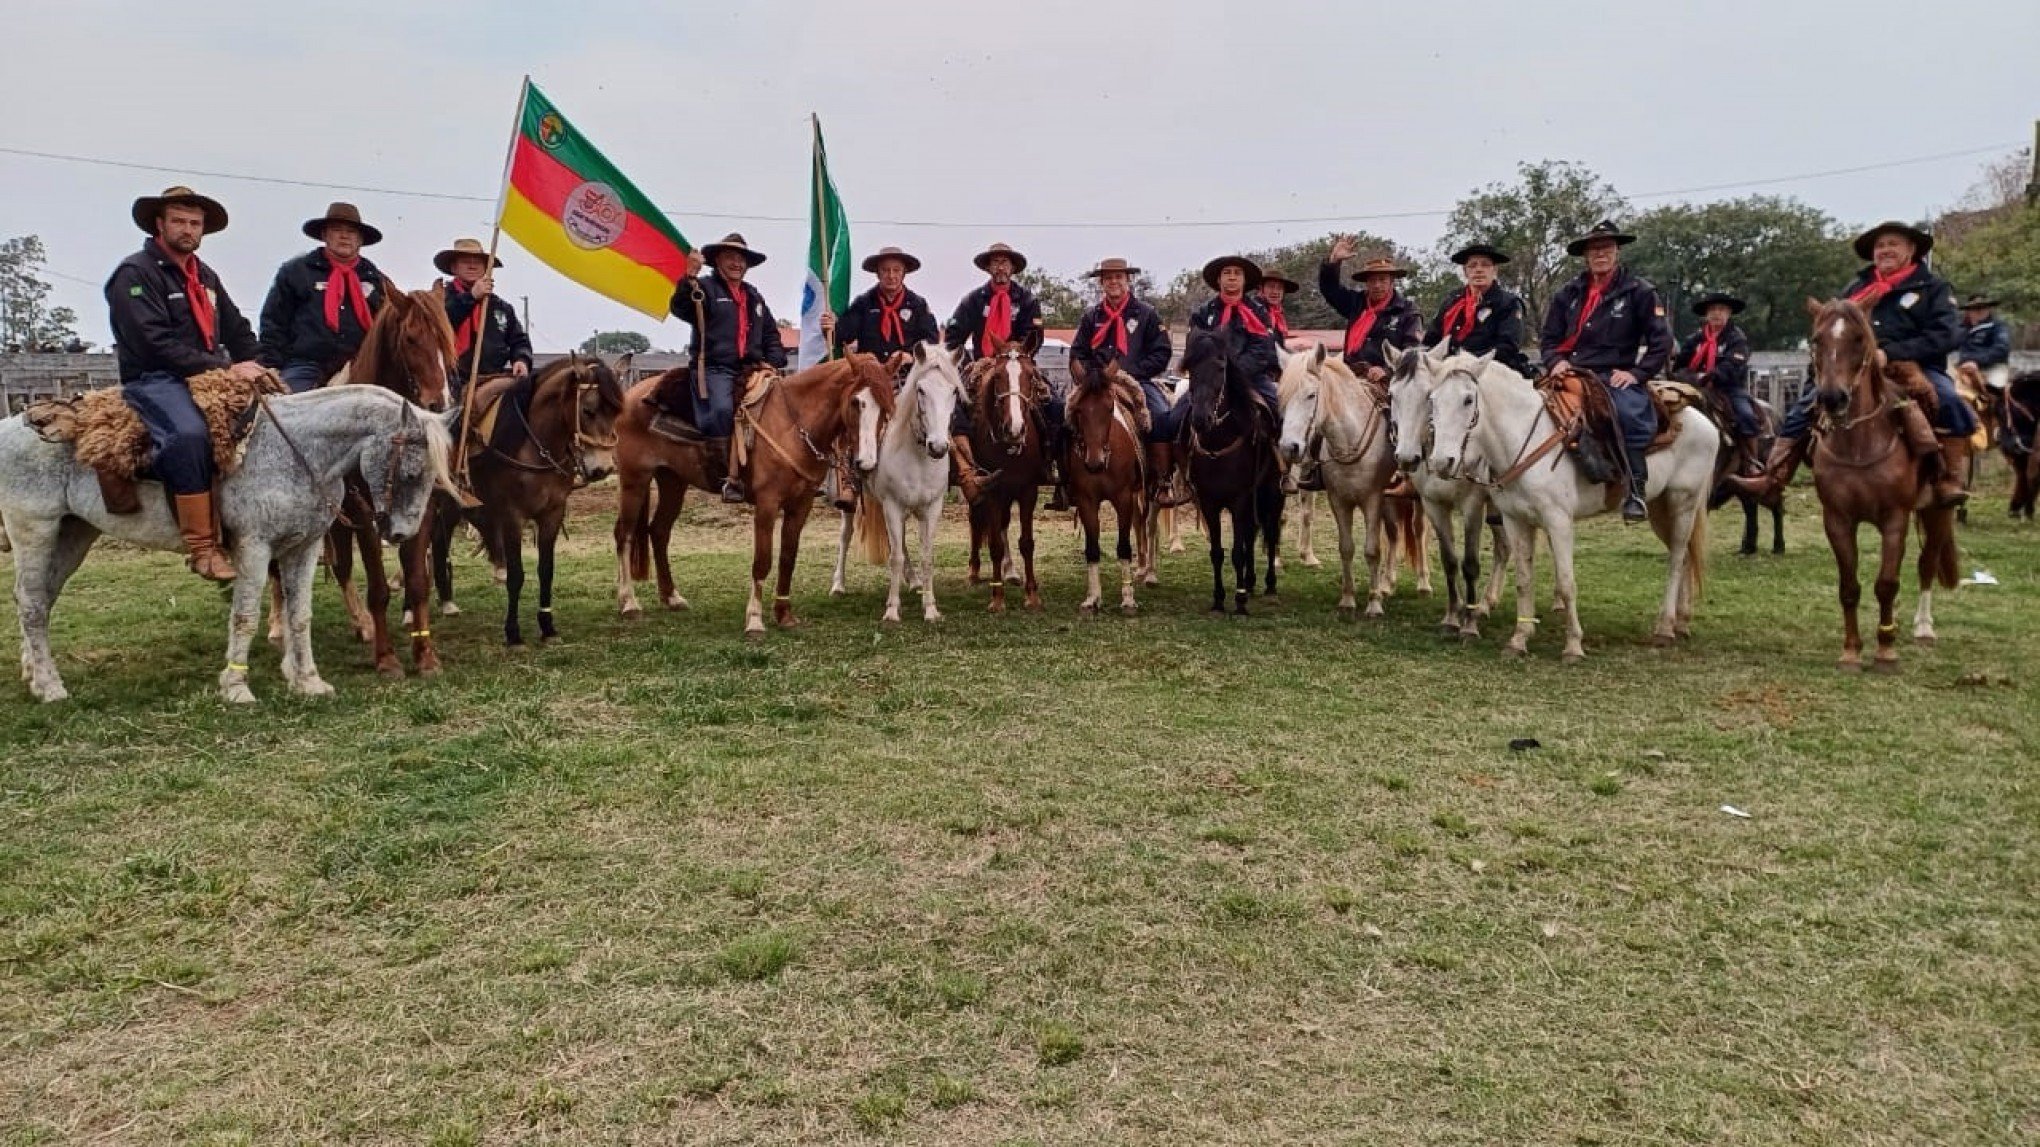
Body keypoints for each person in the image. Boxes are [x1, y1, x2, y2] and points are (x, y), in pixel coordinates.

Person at [1726, 220, 1975, 507]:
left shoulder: (1933, 287)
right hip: (1854, 369)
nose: (1885, 250)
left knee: (1949, 401)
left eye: (1893, 244)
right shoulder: (1857, 288)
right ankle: (1774, 476)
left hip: (1916, 366)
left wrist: (1891, 353)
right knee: (1803, 408)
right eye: (1880, 246)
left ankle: (1949, 478)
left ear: (1912, 249)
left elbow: (1947, 334)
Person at [104, 185, 266, 581]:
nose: (187, 229)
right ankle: (202, 547)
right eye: (179, 220)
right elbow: (152, 342)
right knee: (190, 434)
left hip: (207, 374)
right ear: (160, 224)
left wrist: (256, 363)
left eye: (195, 223)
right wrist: (224, 369)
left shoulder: (205, 276)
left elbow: (236, 327)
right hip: (154, 379)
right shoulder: (135, 273)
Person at [1540, 219, 1674, 522]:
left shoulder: (1639, 291)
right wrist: (1554, 361)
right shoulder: (1568, 293)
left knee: (1626, 415)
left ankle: (1636, 490)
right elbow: (1549, 339)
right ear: (1586, 255)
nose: (1601, 254)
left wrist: (1637, 374)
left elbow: (1661, 341)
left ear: (1617, 252)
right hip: (1569, 371)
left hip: (1614, 374)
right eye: (1594, 249)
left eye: (1607, 248)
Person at [669, 232, 788, 503]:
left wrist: (775, 359)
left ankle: (772, 468)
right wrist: (688, 279)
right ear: (717, 261)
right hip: (715, 368)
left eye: (741, 258)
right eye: (730, 257)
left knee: (784, 407)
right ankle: (727, 475)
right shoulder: (705, 289)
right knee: (722, 410)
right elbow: (681, 308)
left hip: (753, 369)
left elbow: (771, 335)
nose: (737, 263)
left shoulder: (754, 297)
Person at [824, 245, 939, 509]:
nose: (891, 275)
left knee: (938, 408)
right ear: (877, 273)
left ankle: (949, 471)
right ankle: (851, 481)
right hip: (871, 379)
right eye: (885, 270)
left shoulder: (918, 305)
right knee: (851, 417)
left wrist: (912, 355)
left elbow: (931, 340)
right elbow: (842, 336)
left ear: (904, 274)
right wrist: (831, 326)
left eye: (896, 270)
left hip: (907, 377)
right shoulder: (864, 304)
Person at [943, 242, 1043, 503]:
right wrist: (965, 362)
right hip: (982, 363)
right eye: (995, 262)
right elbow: (953, 337)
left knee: (1051, 405)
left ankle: (1050, 464)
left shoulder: (1028, 300)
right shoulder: (973, 300)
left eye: (1005, 262)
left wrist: (1017, 354)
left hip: (1018, 362)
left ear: (1012, 268)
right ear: (988, 267)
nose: (1000, 267)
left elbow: (1035, 336)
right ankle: (963, 470)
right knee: (954, 408)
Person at [1071, 257, 1173, 506]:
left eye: (1118, 277)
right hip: (1096, 384)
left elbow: (1161, 352)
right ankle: (1067, 481)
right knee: (1067, 416)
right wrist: (1085, 375)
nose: (1113, 282)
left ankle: (1162, 480)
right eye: (1108, 278)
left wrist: (1131, 372)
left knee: (1160, 415)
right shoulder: (1090, 316)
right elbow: (1078, 351)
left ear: (1128, 280)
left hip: (1135, 381)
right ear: (1102, 283)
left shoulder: (1146, 314)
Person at [256, 202, 387, 393]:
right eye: (336, 230)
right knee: (284, 408)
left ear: (360, 240)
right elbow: (273, 322)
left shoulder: (376, 280)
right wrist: (272, 367)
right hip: (306, 365)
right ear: (325, 235)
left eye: (351, 231)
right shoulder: (296, 271)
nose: (344, 236)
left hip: (362, 367)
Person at [1319, 237, 1424, 383]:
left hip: (1387, 382)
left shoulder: (1407, 311)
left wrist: (1387, 370)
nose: (1377, 285)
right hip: (1350, 377)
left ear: (1391, 282)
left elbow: (1412, 351)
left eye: (1382, 280)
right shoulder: (1356, 302)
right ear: (1366, 283)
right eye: (1372, 280)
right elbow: (1330, 290)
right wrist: (1334, 262)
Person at [1675, 291, 1760, 471]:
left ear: (1729, 313)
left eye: (1721, 309)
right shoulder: (1694, 339)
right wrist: (1687, 376)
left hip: (1728, 389)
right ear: (1706, 314)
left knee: (1746, 415)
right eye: (1712, 309)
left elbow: (1733, 364)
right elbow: (1679, 364)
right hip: (1694, 387)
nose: (1716, 313)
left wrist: (1711, 375)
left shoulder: (1737, 338)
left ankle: (1751, 461)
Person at [1423, 242, 1534, 378]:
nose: (1479, 270)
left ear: (1494, 270)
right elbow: (1431, 340)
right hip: (1447, 371)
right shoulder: (1451, 302)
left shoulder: (1508, 303)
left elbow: (1507, 347)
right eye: (1472, 265)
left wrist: (1466, 363)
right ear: (1465, 271)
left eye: (1485, 265)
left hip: (1492, 372)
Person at [437, 237, 533, 385]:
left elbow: (519, 340)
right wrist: (471, 297)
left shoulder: (502, 308)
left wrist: (521, 359)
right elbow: (442, 323)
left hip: (492, 380)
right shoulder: (439, 300)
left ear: (486, 268)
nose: (472, 266)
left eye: (477, 262)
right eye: (465, 261)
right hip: (448, 381)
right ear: (454, 268)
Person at [1258, 270, 1300, 345]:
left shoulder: (1278, 313)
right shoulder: (1253, 311)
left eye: (1279, 288)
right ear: (1261, 289)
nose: (1275, 292)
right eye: (1271, 286)